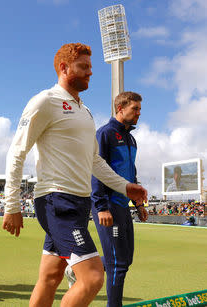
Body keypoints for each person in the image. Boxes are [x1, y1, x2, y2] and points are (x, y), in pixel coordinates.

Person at [2, 43, 148, 307]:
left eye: (91, 68)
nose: (90, 73)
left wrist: (126, 187)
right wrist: (11, 205)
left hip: (80, 204)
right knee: (92, 278)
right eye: (84, 67)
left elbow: (95, 161)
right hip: (57, 201)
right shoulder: (45, 101)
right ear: (64, 67)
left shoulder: (85, 110)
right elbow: (16, 152)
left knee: (50, 276)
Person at [65, 91, 149, 306]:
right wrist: (101, 206)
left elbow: (131, 172)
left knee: (125, 260)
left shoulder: (131, 138)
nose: (139, 113)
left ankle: (76, 269)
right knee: (117, 264)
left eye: (139, 109)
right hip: (108, 205)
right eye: (135, 109)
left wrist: (139, 203)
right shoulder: (105, 133)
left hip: (123, 205)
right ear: (120, 108)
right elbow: (96, 171)